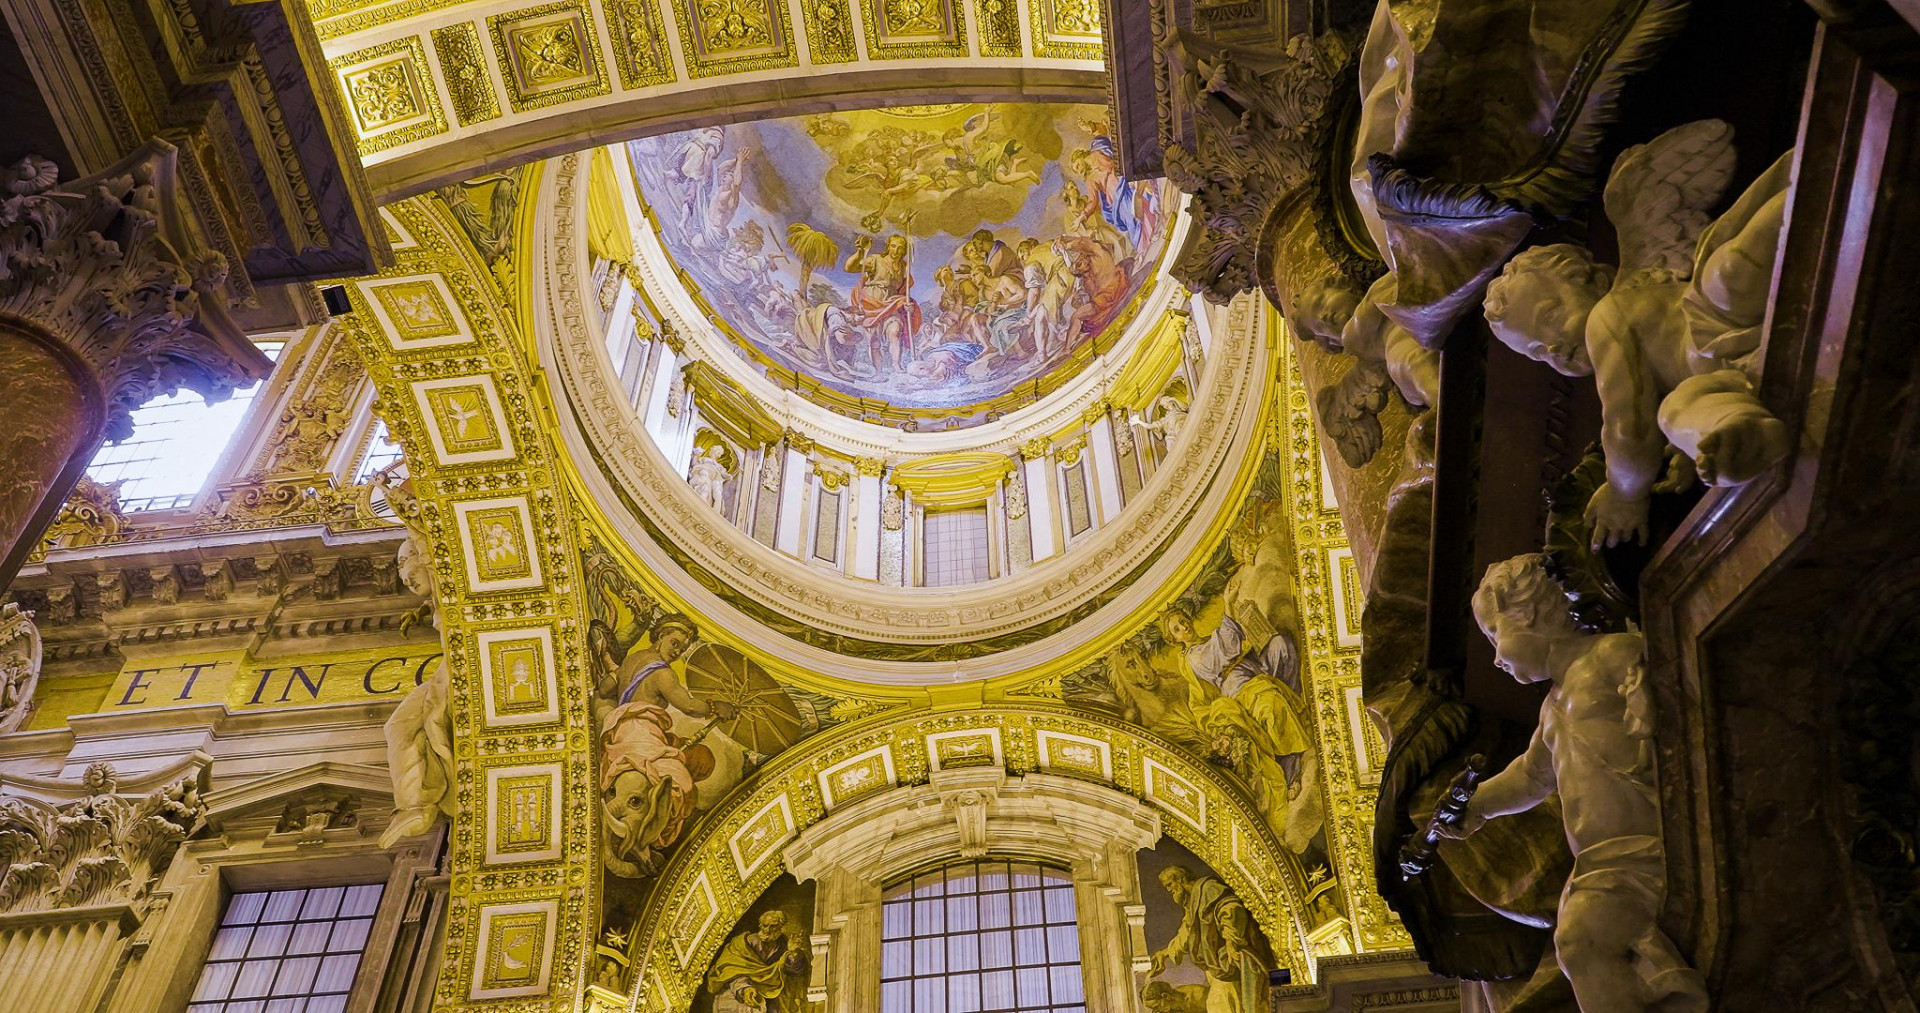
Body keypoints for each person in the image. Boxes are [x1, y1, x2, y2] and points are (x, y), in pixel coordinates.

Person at [1437, 554, 1706, 1013]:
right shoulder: (1551, 707)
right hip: (1600, 863)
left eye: (1496, 635)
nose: (1496, 658)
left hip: (1647, 846)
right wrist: (1478, 805)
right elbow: (1530, 776)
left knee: (1580, 941)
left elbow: (1667, 693)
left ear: (1530, 613)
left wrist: (1645, 699)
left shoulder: (1609, 655)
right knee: (1577, 943)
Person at [1159, 603, 1311, 793]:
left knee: (1281, 645)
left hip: (1252, 668)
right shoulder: (1192, 657)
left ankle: (1297, 707)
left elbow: (1233, 645)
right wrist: (1229, 608)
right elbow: (1223, 652)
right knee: (1269, 702)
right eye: (1177, 629)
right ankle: (1290, 769)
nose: (1184, 627)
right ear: (1174, 639)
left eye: (1183, 621)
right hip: (1237, 685)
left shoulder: (1207, 640)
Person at [1149, 866, 1273, 1013]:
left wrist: (1231, 942)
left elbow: (1231, 908)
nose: (1169, 890)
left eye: (1170, 884)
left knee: (1220, 1005)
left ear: (1181, 879)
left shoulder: (1208, 888)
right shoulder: (1192, 903)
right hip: (1216, 968)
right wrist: (1165, 953)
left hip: (1228, 962)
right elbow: (1186, 932)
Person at [842, 234, 921, 372]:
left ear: (904, 251)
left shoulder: (904, 268)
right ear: (888, 247)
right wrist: (860, 251)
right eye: (893, 246)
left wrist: (906, 304)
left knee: (895, 332)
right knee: (874, 341)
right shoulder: (876, 260)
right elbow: (850, 267)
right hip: (872, 304)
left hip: (891, 305)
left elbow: (902, 292)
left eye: (900, 248)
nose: (896, 250)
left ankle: (897, 365)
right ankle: (878, 372)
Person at [705, 910, 810, 1013]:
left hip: (771, 993)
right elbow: (731, 971)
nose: (767, 930)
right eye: (765, 925)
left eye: (773, 926)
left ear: (780, 928)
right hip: (739, 992)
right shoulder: (744, 944)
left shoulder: (783, 945)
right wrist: (745, 988)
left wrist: (793, 953)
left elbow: (794, 970)